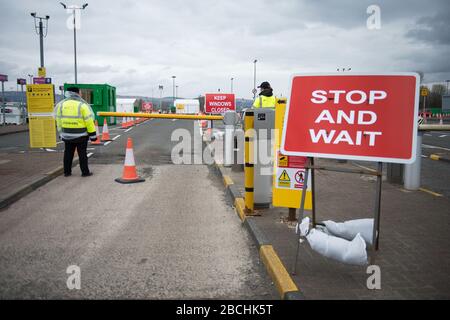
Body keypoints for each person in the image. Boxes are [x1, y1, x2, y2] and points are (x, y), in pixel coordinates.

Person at [54, 87, 97, 177]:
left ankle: (67, 172)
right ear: (77, 93)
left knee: (68, 153)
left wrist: (60, 133)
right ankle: (85, 172)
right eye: (80, 92)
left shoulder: (61, 105)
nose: (81, 94)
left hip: (66, 134)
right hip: (81, 135)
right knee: (82, 154)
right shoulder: (82, 105)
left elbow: (58, 120)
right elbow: (89, 121)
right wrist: (93, 135)